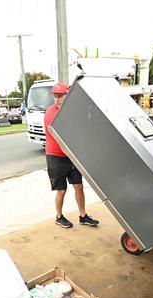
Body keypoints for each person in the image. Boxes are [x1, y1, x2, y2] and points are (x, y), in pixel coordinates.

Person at [44, 82, 99, 229]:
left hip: (70, 155)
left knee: (78, 186)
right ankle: (59, 217)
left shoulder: (72, 111)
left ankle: (83, 216)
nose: (57, 99)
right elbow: (60, 140)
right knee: (61, 190)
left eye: (60, 96)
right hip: (56, 156)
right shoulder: (50, 114)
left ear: (67, 95)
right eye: (55, 96)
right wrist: (75, 155)